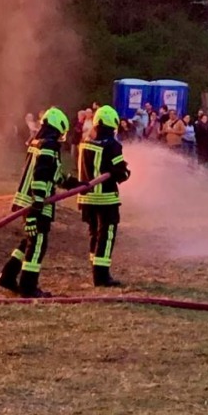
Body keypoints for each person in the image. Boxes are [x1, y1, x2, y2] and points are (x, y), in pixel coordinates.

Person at [0, 107, 71, 299]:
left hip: (26, 200)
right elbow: (40, 175)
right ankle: (28, 287)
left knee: (30, 240)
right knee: (38, 242)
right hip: (36, 202)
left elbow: (51, 173)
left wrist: (72, 182)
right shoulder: (49, 145)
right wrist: (38, 201)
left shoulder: (38, 143)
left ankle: (8, 276)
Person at [77, 106, 132, 287]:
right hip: (106, 198)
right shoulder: (113, 145)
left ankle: (95, 269)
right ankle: (102, 276)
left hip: (86, 198)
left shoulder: (85, 142)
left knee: (94, 233)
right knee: (106, 235)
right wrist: (125, 172)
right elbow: (119, 172)